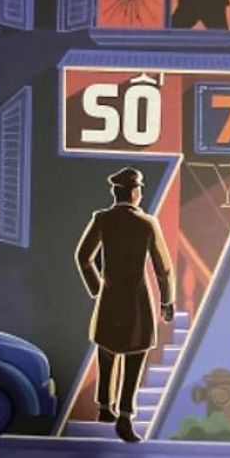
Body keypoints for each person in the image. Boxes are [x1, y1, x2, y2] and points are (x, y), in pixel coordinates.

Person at [74, 167, 175, 443]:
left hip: (109, 300)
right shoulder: (147, 223)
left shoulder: (102, 219)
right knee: (134, 358)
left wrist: (97, 289)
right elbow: (163, 269)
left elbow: (83, 257)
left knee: (106, 353)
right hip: (137, 303)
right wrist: (167, 300)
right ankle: (125, 416)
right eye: (139, 189)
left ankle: (104, 409)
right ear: (134, 193)